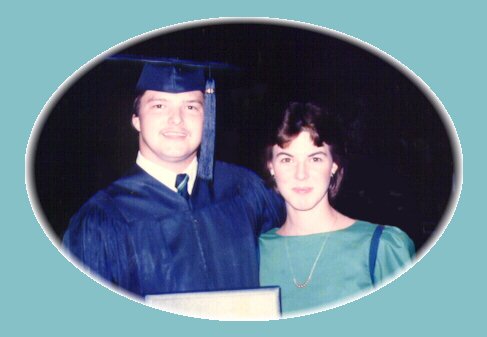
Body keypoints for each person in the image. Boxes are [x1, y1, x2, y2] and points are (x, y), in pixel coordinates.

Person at [63, 59, 284, 298]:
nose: (176, 119)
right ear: (136, 119)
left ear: (207, 117)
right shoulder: (101, 220)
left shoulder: (244, 190)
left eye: (191, 107)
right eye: (159, 106)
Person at [259, 102, 415, 316]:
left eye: (315, 158)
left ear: (333, 165)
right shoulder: (255, 252)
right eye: (287, 159)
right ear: (271, 167)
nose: (301, 174)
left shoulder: (381, 248)